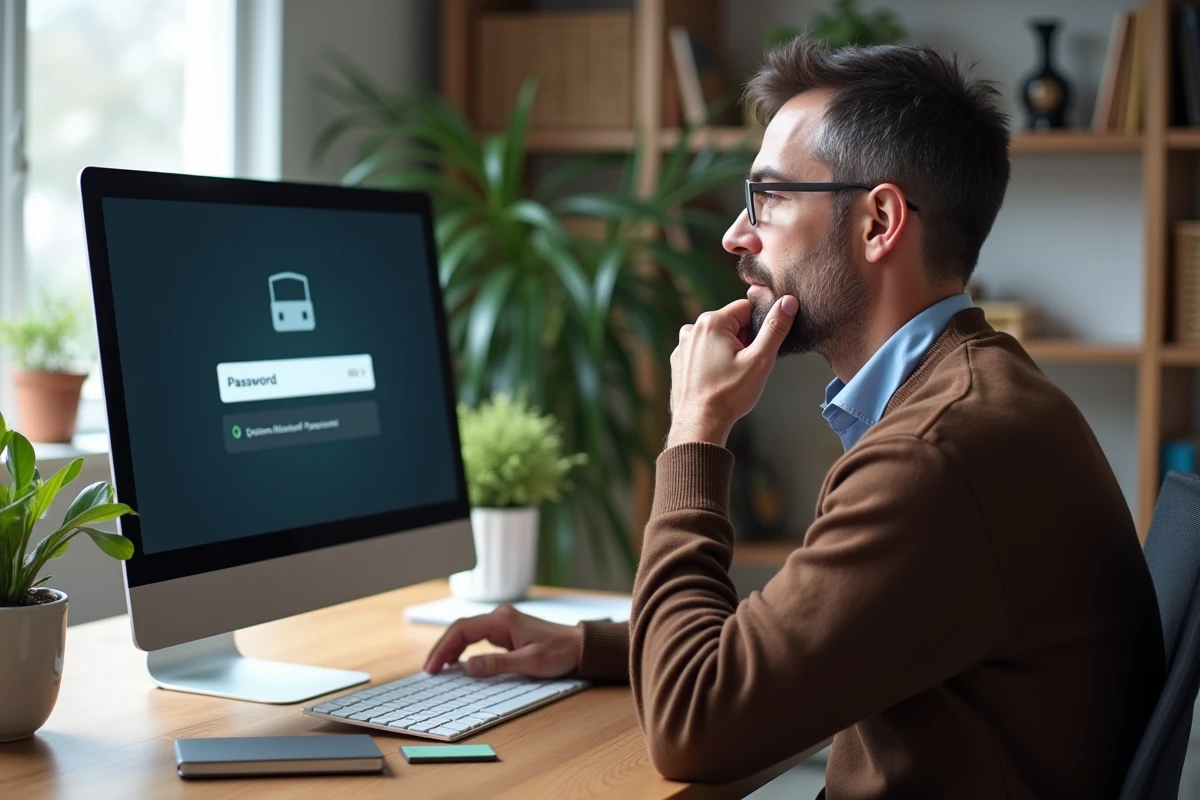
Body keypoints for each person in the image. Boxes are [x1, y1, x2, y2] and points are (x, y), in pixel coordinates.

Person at [424, 39, 1164, 798]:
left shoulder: (935, 449)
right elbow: (816, 635)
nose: (735, 236)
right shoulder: (976, 392)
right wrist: (591, 646)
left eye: (768, 199)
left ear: (879, 221)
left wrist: (696, 430)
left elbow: (693, 730)